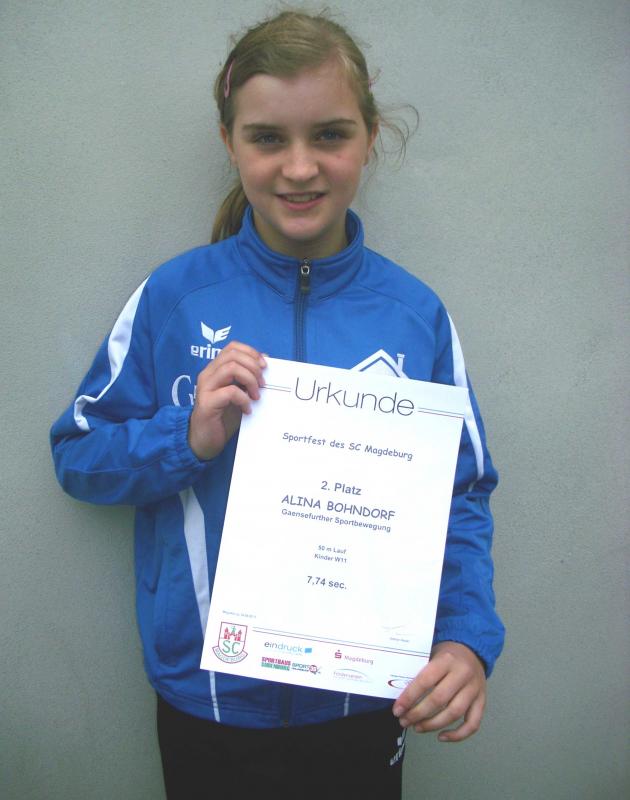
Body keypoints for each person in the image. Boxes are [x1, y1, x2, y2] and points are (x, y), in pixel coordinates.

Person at [50, 9, 504, 800]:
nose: (299, 167)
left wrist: (465, 638)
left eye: (329, 135)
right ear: (230, 143)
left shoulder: (414, 315)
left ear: (369, 137)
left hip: (366, 697)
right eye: (267, 138)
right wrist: (185, 438)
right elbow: (78, 454)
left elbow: (460, 494)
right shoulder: (176, 298)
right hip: (209, 700)